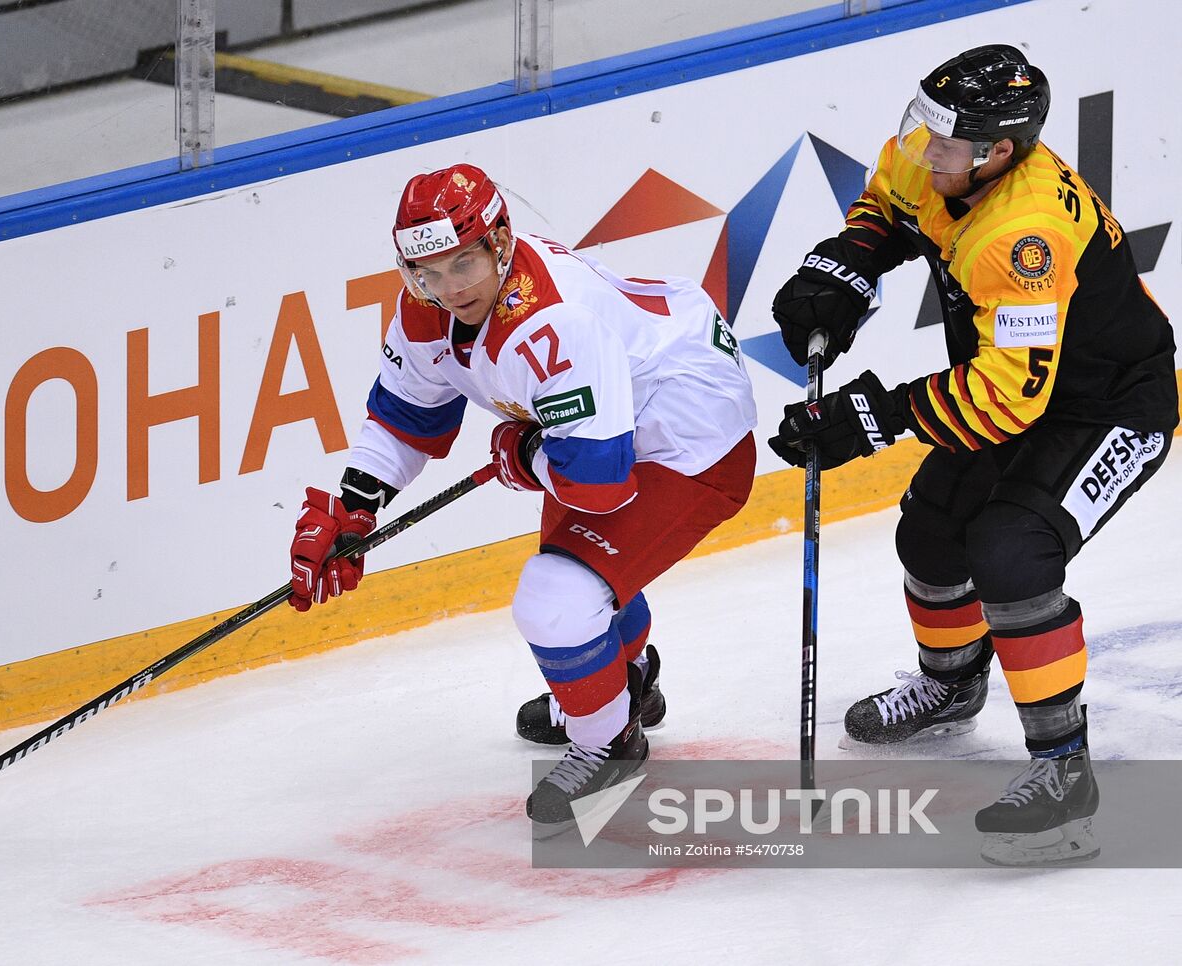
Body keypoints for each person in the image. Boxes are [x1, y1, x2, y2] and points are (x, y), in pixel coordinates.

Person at [769, 45, 1176, 864]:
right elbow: (891, 199)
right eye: (919, 126)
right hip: (1027, 389)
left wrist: (871, 418)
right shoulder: (941, 155)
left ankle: (1065, 774)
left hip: (1108, 407)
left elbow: (1006, 399)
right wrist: (847, 266)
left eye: (942, 142)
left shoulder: (1021, 235)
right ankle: (953, 685)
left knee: (1009, 552)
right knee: (929, 532)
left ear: (998, 152)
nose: (920, 148)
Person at [288, 163, 758, 835]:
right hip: (613, 415)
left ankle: (611, 745)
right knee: (578, 584)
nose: (449, 290)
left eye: (464, 266)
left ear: (500, 243)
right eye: (427, 274)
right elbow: (407, 414)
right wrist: (353, 509)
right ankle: (629, 681)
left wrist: (525, 453)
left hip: (688, 439)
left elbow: (598, 483)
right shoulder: (425, 306)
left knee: (558, 598)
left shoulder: (551, 323)